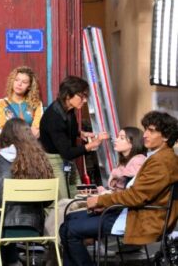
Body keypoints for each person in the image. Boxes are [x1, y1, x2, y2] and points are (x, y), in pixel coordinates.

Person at [60, 111, 178, 266]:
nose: (145, 134)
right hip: (131, 211)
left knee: (71, 230)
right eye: (146, 129)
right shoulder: (156, 156)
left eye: (151, 130)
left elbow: (136, 197)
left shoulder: (162, 161)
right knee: (68, 220)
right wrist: (104, 203)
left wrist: (100, 201)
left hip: (142, 219)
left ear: (166, 137)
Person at [0, 119, 54, 266]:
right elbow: (47, 202)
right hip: (33, 227)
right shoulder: (40, 163)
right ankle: (14, 261)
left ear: (5, 137)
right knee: (0, 230)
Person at [44, 125, 148, 237]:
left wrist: (106, 189)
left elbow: (129, 186)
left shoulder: (138, 160)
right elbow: (116, 189)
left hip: (117, 209)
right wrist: (96, 190)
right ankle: (57, 242)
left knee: (66, 210)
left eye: (121, 138)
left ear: (133, 143)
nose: (116, 140)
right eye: (117, 136)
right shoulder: (123, 162)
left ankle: (59, 243)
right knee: (62, 204)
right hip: (110, 202)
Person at [39, 76, 107, 200]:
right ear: (68, 95)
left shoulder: (69, 109)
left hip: (66, 160)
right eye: (82, 96)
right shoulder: (54, 117)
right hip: (54, 161)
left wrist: (81, 133)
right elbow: (68, 152)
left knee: (78, 196)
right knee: (63, 202)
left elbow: (69, 128)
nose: (85, 100)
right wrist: (92, 144)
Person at [0, 66, 44, 138]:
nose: (19, 84)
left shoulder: (36, 104)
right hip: (9, 146)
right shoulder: (1, 104)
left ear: (29, 86)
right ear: (12, 81)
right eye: (17, 80)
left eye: (24, 82)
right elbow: (0, 132)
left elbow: (36, 132)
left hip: (29, 147)